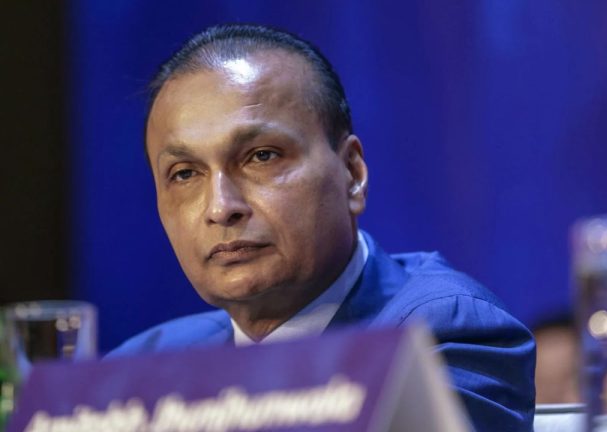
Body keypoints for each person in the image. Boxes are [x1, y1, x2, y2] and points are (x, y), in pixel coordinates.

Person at [109, 24, 535, 431]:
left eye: (261, 156)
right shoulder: (142, 370)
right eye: (185, 174)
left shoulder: (440, 335)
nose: (221, 207)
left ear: (352, 173)